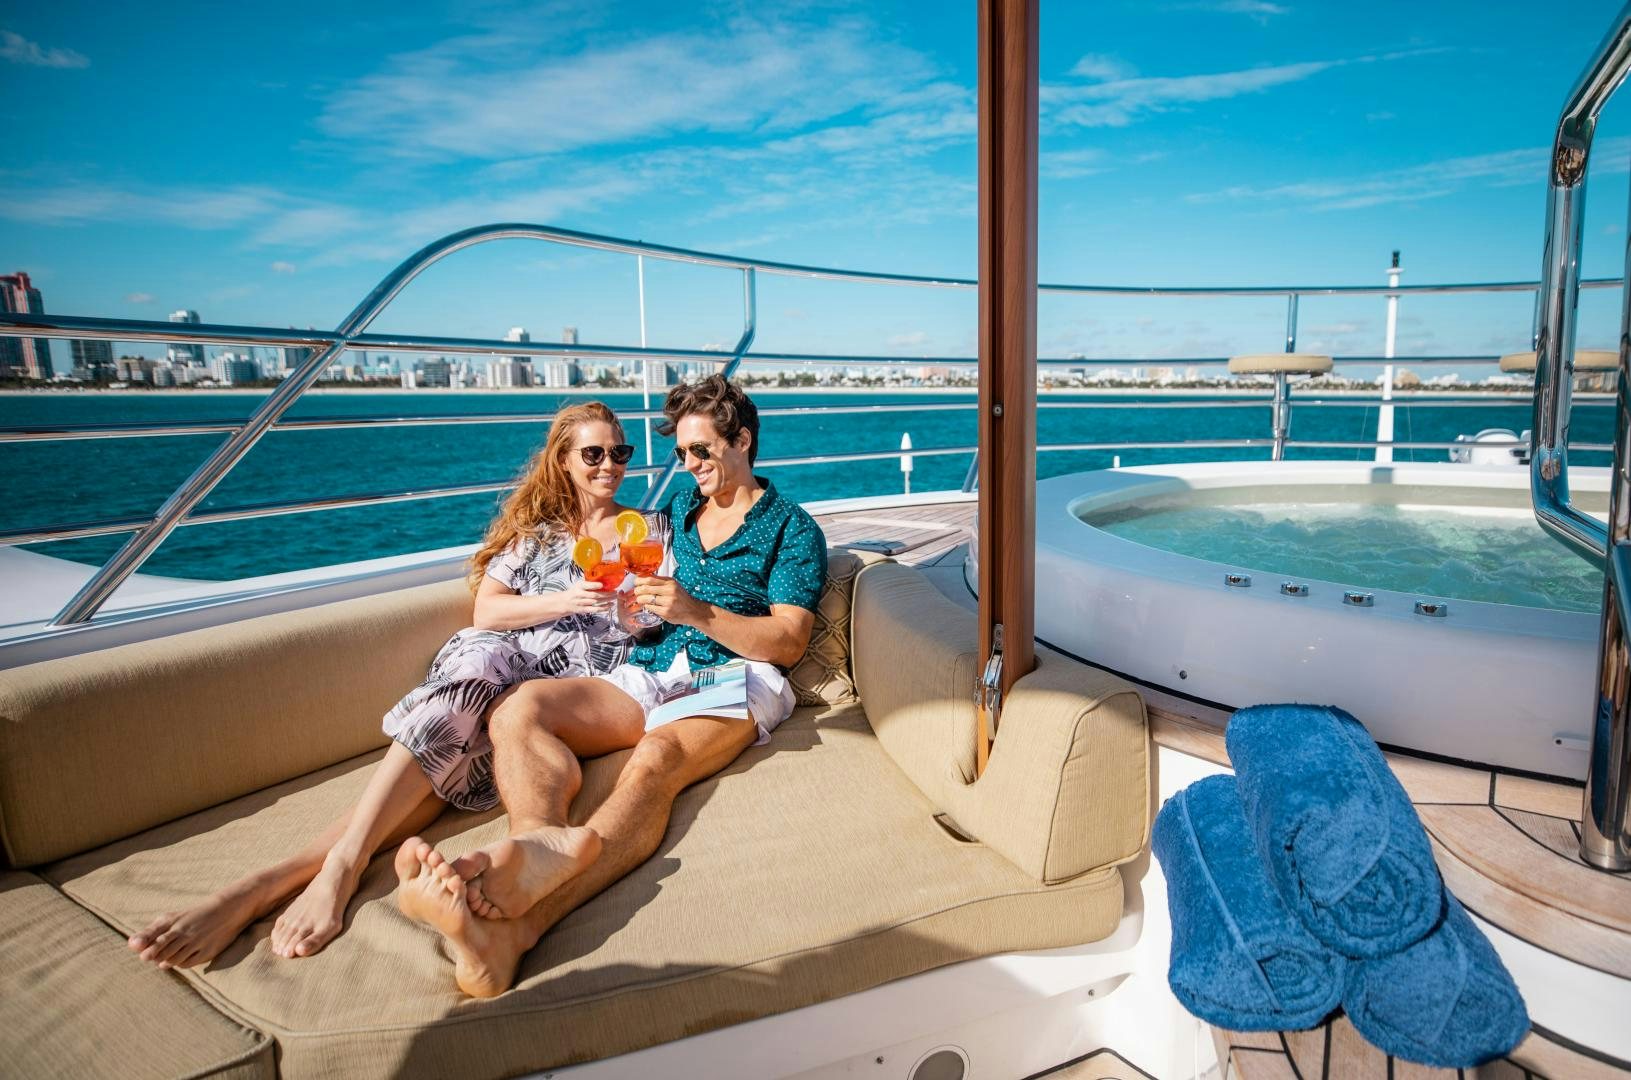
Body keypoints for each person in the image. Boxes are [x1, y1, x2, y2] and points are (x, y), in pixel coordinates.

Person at [127, 401, 664, 969]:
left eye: (620, 453)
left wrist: (631, 613)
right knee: (476, 663)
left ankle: (278, 881)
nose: (610, 465)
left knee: (460, 724)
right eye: (594, 453)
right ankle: (313, 874)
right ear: (563, 459)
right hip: (492, 671)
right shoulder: (536, 535)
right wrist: (566, 599)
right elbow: (487, 610)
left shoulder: (647, 531)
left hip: (565, 687)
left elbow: (647, 624)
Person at [394, 374, 828, 997]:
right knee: (522, 708)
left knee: (654, 760)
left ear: (744, 441)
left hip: (736, 677)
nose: (689, 465)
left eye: (701, 450)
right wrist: (624, 606)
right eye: (681, 453)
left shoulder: (791, 528)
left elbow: (787, 641)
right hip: (650, 670)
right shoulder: (677, 512)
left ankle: (513, 934)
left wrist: (697, 613)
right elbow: (610, 555)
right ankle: (535, 843)